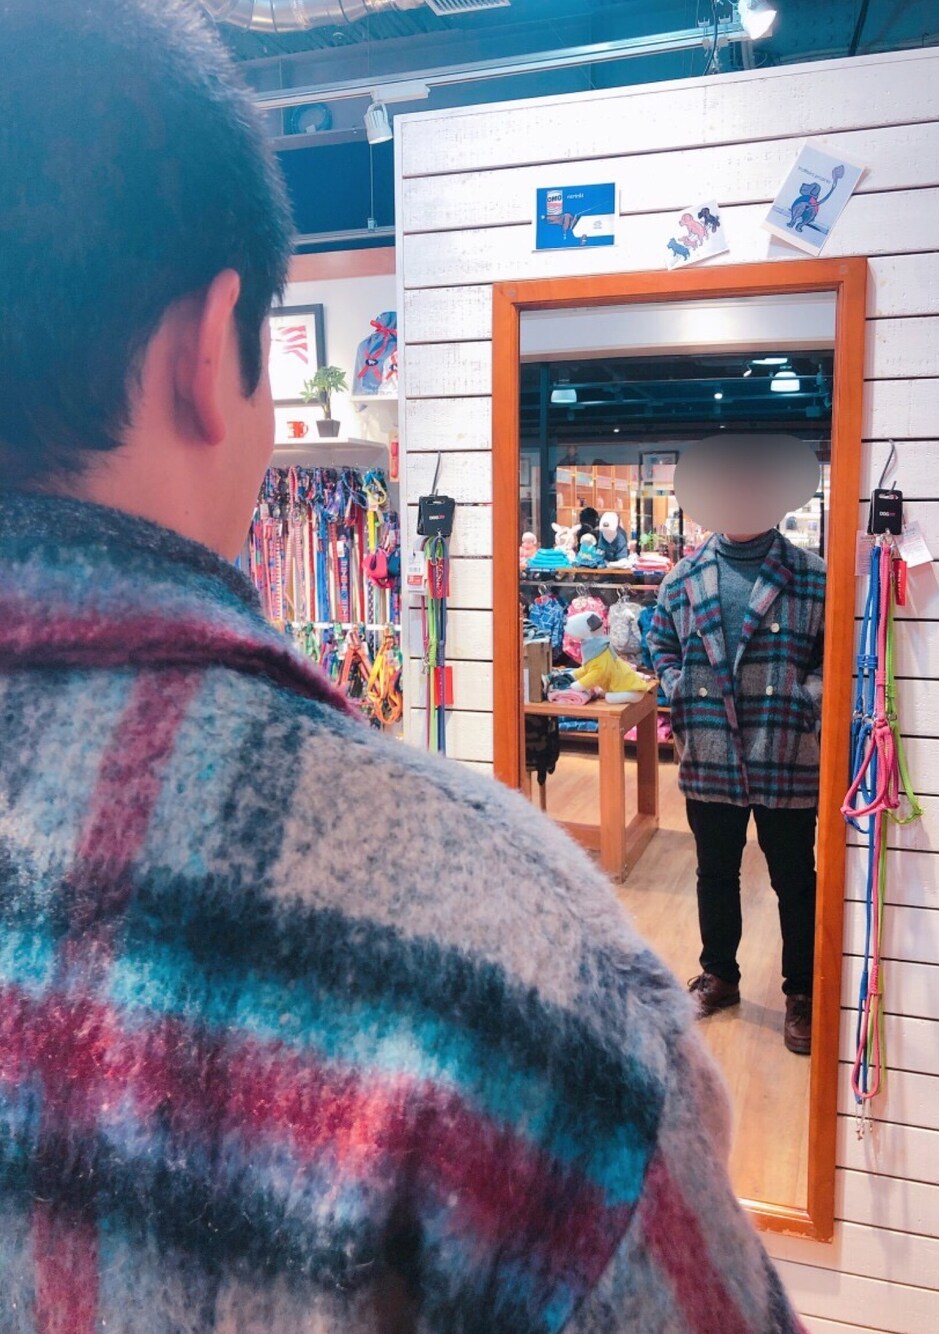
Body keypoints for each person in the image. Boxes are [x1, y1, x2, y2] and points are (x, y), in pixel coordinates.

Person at [0, 3, 804, 1330]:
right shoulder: (496, 948)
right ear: (211, 351)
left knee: (787, 878)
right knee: (727, 881)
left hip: (775, 762)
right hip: (715, 764)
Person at [648, 524, 825, 1055]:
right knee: (715, 872)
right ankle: (720, 974)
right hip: (709, 744)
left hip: (784, 743)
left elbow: (832, 651)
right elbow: (661, 642)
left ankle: (802, 991)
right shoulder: (683, 576)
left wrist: (806, 698)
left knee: (795, 878)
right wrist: (679, 689)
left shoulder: (812, 575)